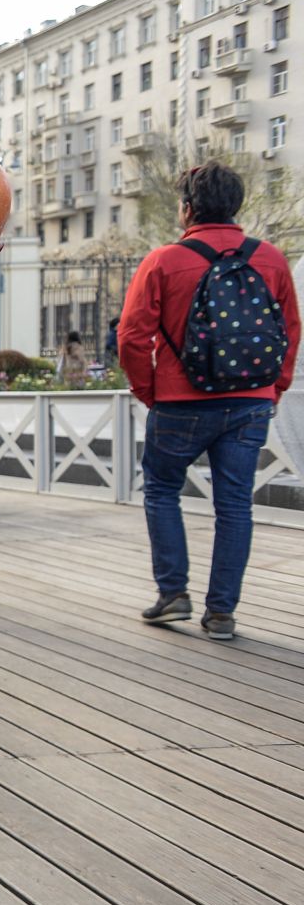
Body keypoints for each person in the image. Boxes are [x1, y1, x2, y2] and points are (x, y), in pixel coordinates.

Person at [118, 161, 300, 640]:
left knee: (161, 489)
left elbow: (132, 337)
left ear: (187, 210)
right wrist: (274, 388)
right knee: (236, 506)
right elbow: (290, 332)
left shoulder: (164, 261)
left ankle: (173, 593)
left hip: (180, 401)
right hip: (251, 402)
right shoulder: (272, 259)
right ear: (236, 206)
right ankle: (221, 613)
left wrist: (149, 392)